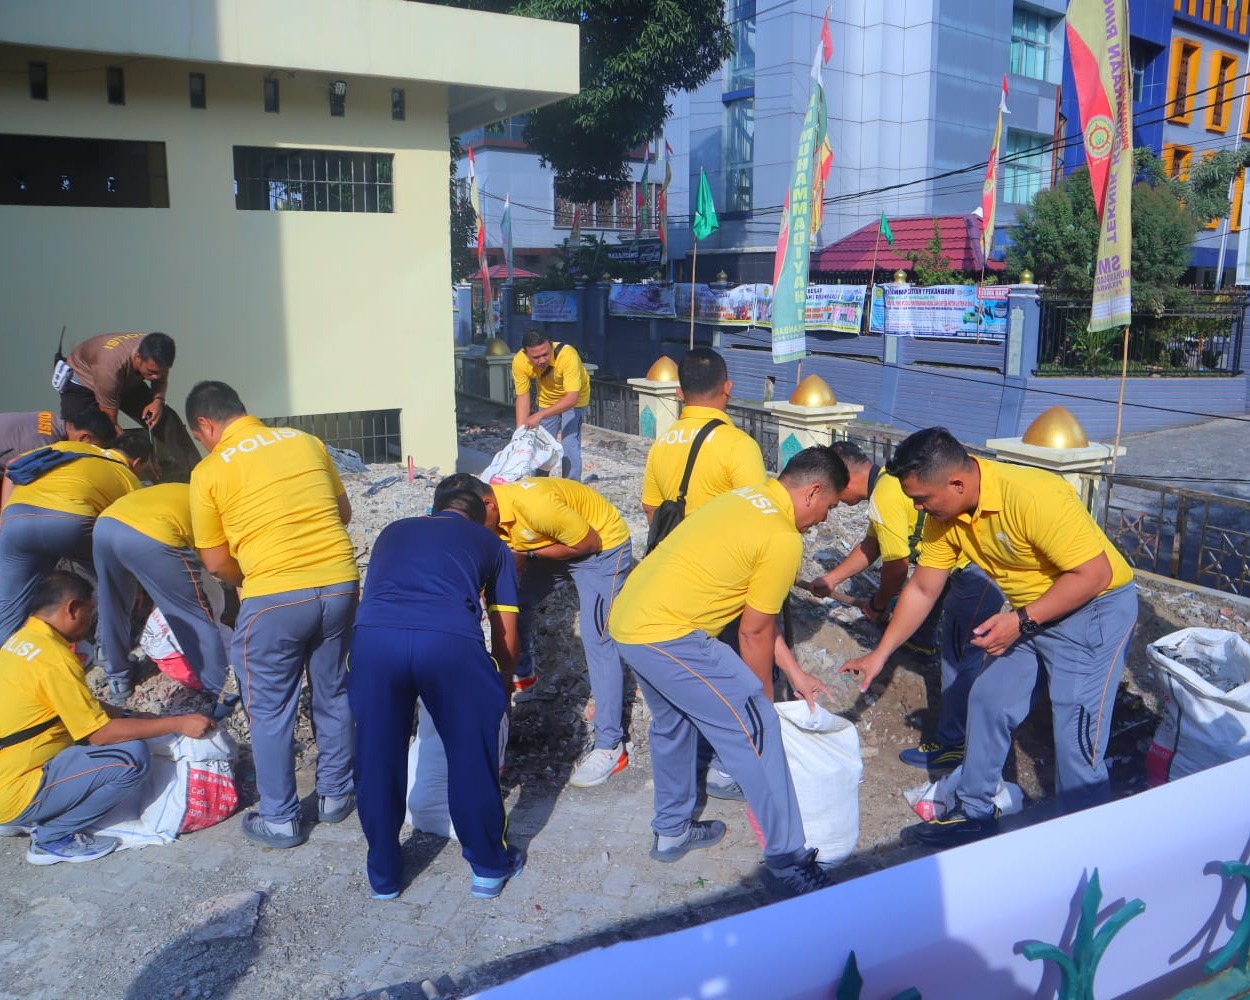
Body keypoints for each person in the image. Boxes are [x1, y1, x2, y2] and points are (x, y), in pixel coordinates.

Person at [840, 428, 1138, 847]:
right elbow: (923, 589)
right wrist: (880, 654)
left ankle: (1086, 840)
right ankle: (975, 812)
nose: (918, 509)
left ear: (957, 483)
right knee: (988, 699)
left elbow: (1095, 575)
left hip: (1093, 610)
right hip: (1032, 613)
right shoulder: (946, 517)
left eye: (922, 499)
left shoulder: (1032, 497)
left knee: (1076, 734)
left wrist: (1020, 622)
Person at [608, 447, 848, 897]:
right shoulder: (782, 537)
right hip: (668, 632)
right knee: (757, 730)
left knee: (674, 725)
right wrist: (760, 705)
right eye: (829, 507)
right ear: (813, 491)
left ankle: (672, 830)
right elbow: (753, 634)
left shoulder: (742, 498)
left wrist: (794, 672)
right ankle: (788, 860)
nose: (823, 521)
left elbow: (756, 613)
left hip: (630, 618)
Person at [186, 380, 358, 849]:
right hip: (341, 583)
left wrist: (257, 574)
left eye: (199, 435)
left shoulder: (210, 469)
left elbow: (216, 562)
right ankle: (337, 795)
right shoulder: (306, 441)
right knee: (334, 690)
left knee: (270, 709)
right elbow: (341, 513)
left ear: (206, 423)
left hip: (274, 595)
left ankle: (281, 818)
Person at [348, 480, 523, 900]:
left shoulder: (393, 530)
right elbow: (506, 632)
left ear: (434, 506)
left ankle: (384, 877)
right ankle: (487, 868)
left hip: (374, 644)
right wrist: (500, 690)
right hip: (448, 643)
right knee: (470, 753)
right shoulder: (492, 545)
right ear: (482, 510)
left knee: (376, 755)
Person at [806, 440, 1006, 769]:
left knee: (960, 657)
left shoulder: (885, 493)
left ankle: (953, 743)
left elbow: (896, 566)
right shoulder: (888, 483)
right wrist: (832, 580)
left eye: (835, 492)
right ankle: (921, 645)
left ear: (846, 478)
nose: (838, 503)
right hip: (952, 564)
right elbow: (873, 544)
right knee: (930, 605)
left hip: (974, 572)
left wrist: (879, 603)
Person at [0, 571, 213, 865]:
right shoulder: (55, 659)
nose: (91, 622)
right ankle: (53, 837)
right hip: (14, 788)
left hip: (7, 772)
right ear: (72, 609)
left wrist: (132, 715)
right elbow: (100, 734)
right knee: (130, 758)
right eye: (89, 612)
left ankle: (21, 814)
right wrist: (178, 723)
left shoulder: (21, 641)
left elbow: (77, 705)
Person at [439, 473, 634, 789]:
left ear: (488, 503)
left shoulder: (536, 506)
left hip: (601, 549)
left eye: (474, 521)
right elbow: (509, 566)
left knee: (597, 638)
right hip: (552, 544)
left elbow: (589, 542)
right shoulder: (490, 516)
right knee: (516, 602)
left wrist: (528, 553)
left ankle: (611, 745)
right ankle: (523, 672)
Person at [0, 431, 155, 642]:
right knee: (114, 577)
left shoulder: (68, 447)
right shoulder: (129, 479)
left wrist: (4, 518)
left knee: (9, 605)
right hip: (68, 523)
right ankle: (110, 654)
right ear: (137, 462)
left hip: (16, 518)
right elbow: (129, 538)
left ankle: (8, 663)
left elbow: (13, 464)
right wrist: (133, 583)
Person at [93, 483, 233, 709]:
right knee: (193, 613)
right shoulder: (228, 508)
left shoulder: (190, 489)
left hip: (106, 525)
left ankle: (117, 678)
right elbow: (219, 565)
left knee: (113, 604)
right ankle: (219, 691)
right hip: (153, 532)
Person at [640, 347, 766, 521]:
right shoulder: (740, 446)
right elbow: (758, 515)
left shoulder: (660, 444)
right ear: (727, 388)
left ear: (680, 393)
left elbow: (651, 508)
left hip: (674, 546)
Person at [58, 331, 201, 476]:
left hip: (125, 380)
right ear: (138, 358)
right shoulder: (110, 368)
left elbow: (159, 378)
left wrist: (158, 401)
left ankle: (198, 473)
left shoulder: (158, 352)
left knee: (167, 419)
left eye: (161, 372)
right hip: (83, 384)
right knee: (92, 438)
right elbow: (110, 423)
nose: (156, 377)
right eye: (151, 372)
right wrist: (143, 457)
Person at [512, 330, 590, 481]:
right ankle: (539, 483)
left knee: (569, 441)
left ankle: (571, 486)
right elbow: (522, 396)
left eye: (546, 354)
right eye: (536, 357)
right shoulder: (519, 362)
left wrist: (539, 415)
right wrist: (520, 434)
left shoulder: (568, 356)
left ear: (550, 346)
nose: (542, 360)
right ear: (525, 354)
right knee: (542, 443)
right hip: (547, 400)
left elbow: (571, 398)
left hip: (575, 398)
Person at [0, 409, 115, 470]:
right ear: (83, 437)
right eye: (94, 447)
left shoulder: (52, 418)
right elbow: (13, 469)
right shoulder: (46, 444)